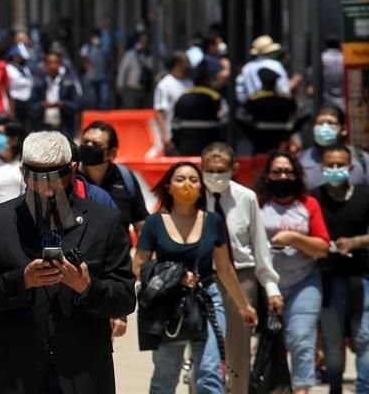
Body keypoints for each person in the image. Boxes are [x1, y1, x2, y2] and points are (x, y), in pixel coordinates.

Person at [0, 131, 135, 393]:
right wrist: (22, 281)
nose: (46, 189)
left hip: (83, 372)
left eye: (56, 177)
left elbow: (125, 299)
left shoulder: (105, 222)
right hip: (17, 374)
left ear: (73, 169)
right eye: (37, 178)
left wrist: (86, 286)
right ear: (23, 173)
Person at [134, 162, 258, 394]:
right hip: (167, 304)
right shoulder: (154, 223)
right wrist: (175, 276)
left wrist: (244, 306)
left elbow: (225, 269)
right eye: (180, 179)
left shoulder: (213, 221)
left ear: (201, 188)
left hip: (206, 300)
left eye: (193, 179)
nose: (187, 184)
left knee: (210, 373)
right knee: (165, 377)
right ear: (169, 187)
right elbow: (138, 266)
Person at [200, 142, 283, 394]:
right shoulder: (192, 196)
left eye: (221, 171)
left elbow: (259, 245)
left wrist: (270, 287)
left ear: (234, 169)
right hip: (204, 278)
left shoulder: (246, 198)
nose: (215, 176)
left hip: (241, 277)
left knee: (238, 350)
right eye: (210, 171)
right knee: (203, 347)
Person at [256, 150, 331, 393]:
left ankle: (301, 388)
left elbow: (322, 247)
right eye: (277, 171)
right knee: (267, 344)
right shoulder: (257, 204)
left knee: (301, 338)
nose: (282, 176)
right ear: (267, 175)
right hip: (265, 284)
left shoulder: (308, 205)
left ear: (296, 175)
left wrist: (294, 239)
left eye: (288, 172)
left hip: (303, 282)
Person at [314, 144, 369, 394]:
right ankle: (335, 386)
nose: (335, 169)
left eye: (340, 165)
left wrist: (356, 242)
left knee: (364, 337)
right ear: (322, 167)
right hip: (327, 278)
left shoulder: (364, 196)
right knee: (333, 339)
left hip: (361, 276)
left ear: (351, 167)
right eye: (330, 165)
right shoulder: (314, 198)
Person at [78, 121, 149, 236]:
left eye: (96, 144)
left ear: (112, 153)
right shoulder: (73, 178)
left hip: (120, 246)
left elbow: (140, 221)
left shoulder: (125, 177)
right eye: (85, 142)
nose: (88, 146)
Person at [300, 104, 369, 189]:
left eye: (330, 123)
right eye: (320, 124)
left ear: (344, 129)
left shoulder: (361, 159)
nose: (324, 128)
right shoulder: (301, 161)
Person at [171, 60, 228, 156]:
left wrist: (177, 144)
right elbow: (225, 124)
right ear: (207, 80)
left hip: (185, 149)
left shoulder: (182, 97)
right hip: (210, 150)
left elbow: (175, 124)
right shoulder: (215, 98)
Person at [237, 67, 300, 154]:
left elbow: (242, 115)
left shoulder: (254, 100)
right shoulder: (287, 99)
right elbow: (296, 114)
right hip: (282, 136)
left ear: (262, 83)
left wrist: (250, 133)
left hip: (259, 136)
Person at [30, 50, 83, 138]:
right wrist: (42, 105)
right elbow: (31, 107)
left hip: (64, 129)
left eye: (55, 63)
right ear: (45, 65)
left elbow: (77, 106)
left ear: (60, 65)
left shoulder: (68, 84)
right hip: (43, 129)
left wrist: (63, 104)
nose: (52, 66)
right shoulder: (39, 84)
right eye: (49, 63)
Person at [235, 34, 291, 104]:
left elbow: (240, 94)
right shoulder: (276, 65)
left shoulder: (247, 68)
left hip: (252, 107)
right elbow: (283, 89)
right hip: (273, 106)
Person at [154, 52, 191, 154]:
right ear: (176, 64)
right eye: (185, 63)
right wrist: (164, 135)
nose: (188, 65)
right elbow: (159, 112)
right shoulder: (164, 85)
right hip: (172, 135)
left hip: (189, 134)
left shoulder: (190, 83)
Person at [116, 32, 154, 109]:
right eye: (142, 41)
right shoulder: (130, 54)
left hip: (145, 88)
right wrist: (120, 84)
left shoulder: (151, 56)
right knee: (131, 109)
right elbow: (123, 70)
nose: (144, 43)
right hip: (132, 88)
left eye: (146, 41)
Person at [80, 28, 113, 110]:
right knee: (92, 99)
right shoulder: (87, 47)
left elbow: (109, 61)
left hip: (103, 77)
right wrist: (88, 65)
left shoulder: (104, 48)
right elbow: (83, 58)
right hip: (91, 77)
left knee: (104, 98)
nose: (96, 39)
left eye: (98, 37)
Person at [5, 45, 34, 129]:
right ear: (15, 57)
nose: (24, 60)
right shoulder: (8, 68)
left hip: (27, 101)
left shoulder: (25, 68)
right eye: (21, 58)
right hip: (15, 101)